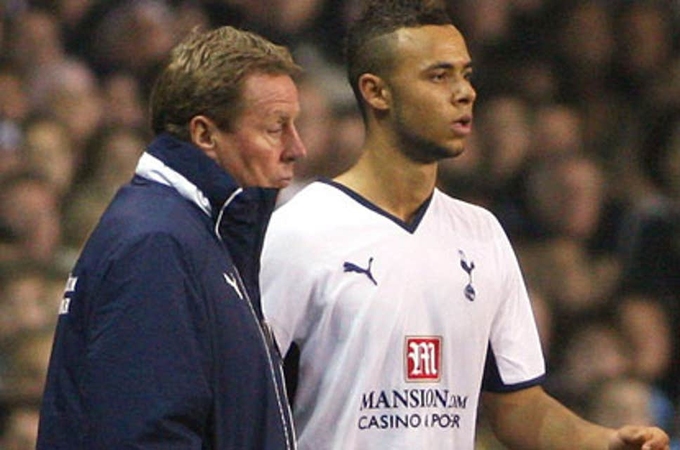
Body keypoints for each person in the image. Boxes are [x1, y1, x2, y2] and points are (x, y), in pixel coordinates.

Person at [259, 1, 670, 449]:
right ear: (377, 92)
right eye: (439, 76)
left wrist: (604, 442)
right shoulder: (298, 231)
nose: (465, 93)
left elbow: (520, 409)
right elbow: (243, 398)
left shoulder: (482, 233)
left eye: (466, 75)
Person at [37, 25, 306, 449]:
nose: (296, 148)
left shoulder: (197, 234)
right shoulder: (156, 244)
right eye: (276, 128)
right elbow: (146, 435)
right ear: (205, 135)